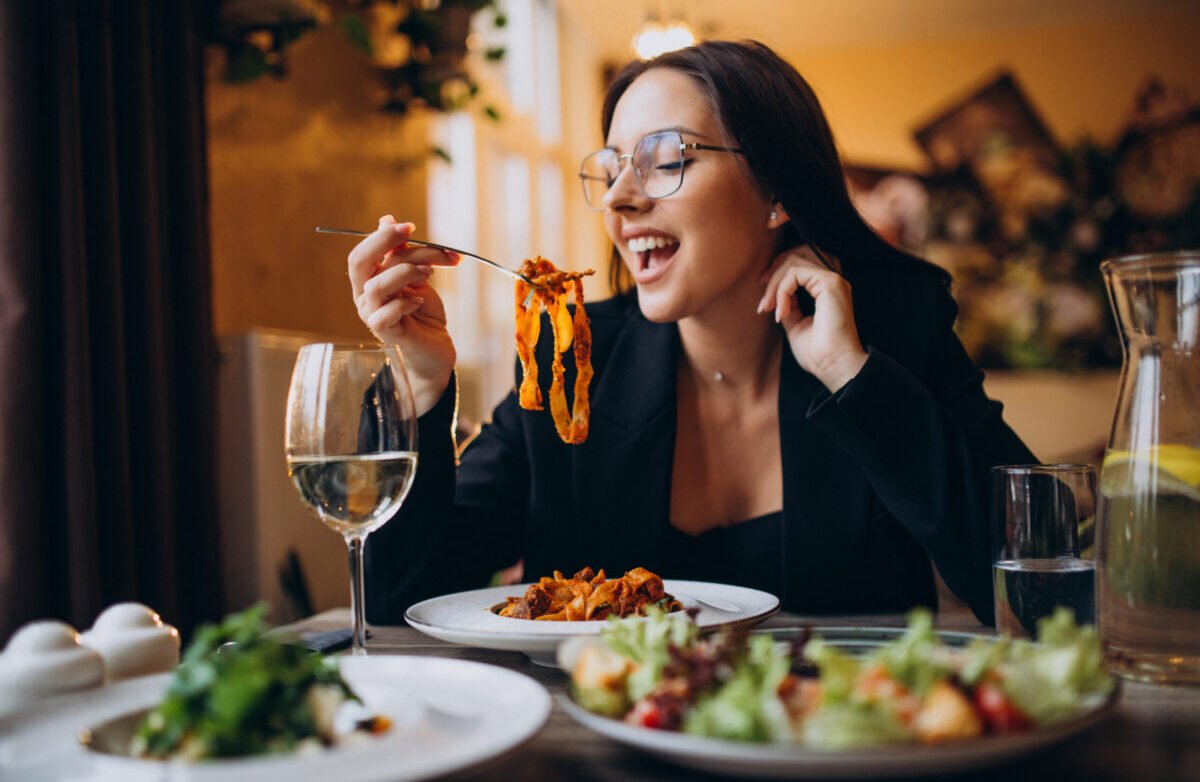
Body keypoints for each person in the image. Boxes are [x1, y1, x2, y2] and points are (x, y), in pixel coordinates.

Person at [348, 40, 1034, 625]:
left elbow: (1035, 589)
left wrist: (850, 375)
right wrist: (421, 384)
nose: (619, 198)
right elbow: (403, 599)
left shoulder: (893, 333)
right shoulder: (573, 359)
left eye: (666, 158)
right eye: (613, 166)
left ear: (776, 192)